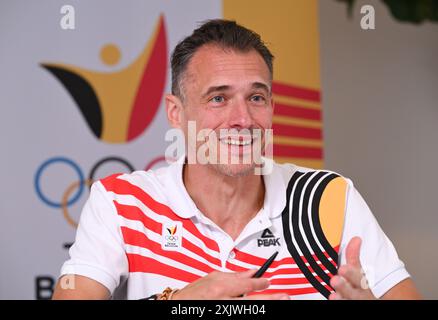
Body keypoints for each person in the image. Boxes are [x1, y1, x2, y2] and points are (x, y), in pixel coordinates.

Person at [53, 19, 421, 300]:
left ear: (272, 107)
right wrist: (180, 302)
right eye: (218, 98)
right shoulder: (121, 202)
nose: (242, 120)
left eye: (256, 98)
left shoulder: (329, 198)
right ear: (176, 112)